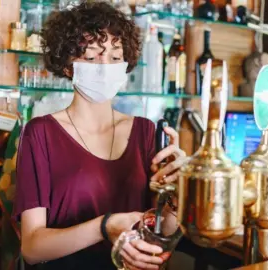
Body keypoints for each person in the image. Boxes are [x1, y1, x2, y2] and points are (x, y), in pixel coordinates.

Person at [13, 3, 186, 269]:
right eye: (92, 58)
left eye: (116, 58)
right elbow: (32, 248)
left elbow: (161, 230)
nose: (105, 68)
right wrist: (105, 227)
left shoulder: (145, 132)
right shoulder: (40, 134)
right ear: (68, 66)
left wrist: (175, 194)